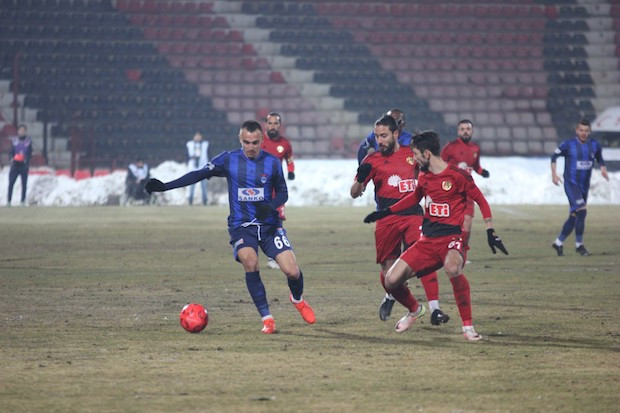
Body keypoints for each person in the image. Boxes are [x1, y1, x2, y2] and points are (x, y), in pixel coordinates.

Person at [145, 120, 315, 334]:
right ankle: (267, 318)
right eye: (246, 142)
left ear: (262, 140)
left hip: (270, 226)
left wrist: (270, 206)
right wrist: (165, 186)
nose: (251, 147)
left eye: (255, 142)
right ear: (240, 139)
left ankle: (297, 299)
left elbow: (283, 193)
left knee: (292, 271)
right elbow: (199, 174)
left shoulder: (272, 163)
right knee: (250, 261)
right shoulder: (228, 159)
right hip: (241, 226)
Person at [364, 130, 508, 341]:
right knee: (391, 280)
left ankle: (468, 328)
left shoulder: (458, 176)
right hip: (426, 242)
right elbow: (414, 198)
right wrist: (386, 212)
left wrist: (490, 229)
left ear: (427, 153)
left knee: (452, 267)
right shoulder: (424, 176)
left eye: (415, 154)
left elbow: (481, 200)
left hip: (451, 239)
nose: (413, 159)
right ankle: (414, 310)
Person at [350, 115, 449, 329]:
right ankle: (414, 309)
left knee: (421, 256)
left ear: (395, 134)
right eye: (377, 136)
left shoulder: (410, 155)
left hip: (412, 213)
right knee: (388, 276)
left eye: (384, 136)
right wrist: (360, 178)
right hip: (385, 218)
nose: (380, 140)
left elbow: (434, 172)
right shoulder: (371, 160)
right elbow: (354, 193)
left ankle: (435, 309)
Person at [551, 119, 609, 256]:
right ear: (577, 131)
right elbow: (554, 157)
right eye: (581, 130)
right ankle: (579, 245)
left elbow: (599, 158)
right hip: (571, 184)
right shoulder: (568, 145)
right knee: (582, 211)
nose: (583, 133)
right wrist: (554, 174)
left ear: (589, 132)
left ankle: (558, 243)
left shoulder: (595, 145)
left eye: (586, 130)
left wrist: (603, 168)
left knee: (574, 216)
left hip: (584, 186)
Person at [440, 119, 490, 254]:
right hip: (452, 191)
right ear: (458, 131)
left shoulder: (475, 148)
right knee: (451, 223)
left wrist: (482, 172)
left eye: (468, 129)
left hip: (468, 189)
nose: (465, 131)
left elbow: (475, 167)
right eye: (462, 129)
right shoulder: (450, 147)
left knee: (467, 223)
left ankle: (462, 252)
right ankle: (447, 250)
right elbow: (440, 165)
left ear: (472, 131)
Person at [261, 112, 295, 269]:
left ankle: (275, 256)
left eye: (275, 123)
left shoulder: (285, 144)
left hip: (277, 188)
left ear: (280, 126)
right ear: (266, 124)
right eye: (270, 123)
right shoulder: (259, 141)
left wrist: (291, 170)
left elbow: (289, 158)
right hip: (260, 187)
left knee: (278, 219)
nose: (272, 126)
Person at [7, 124, 33, 206]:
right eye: (20, 130)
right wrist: (12, 158)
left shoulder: (28, 142)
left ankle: (22, 201)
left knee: (24, 184)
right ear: (18, 131)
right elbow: (10, 152)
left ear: (25, 132)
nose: (21, 132)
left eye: (23, 131)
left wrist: (25, 160)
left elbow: (29, 153)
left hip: (23, 165)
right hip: (15, 165)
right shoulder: (14, 141)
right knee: (11, 183)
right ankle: (9, 201)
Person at [186, 131, 209, 205]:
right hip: (193, 168)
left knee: (204, 187)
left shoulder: (206, 145)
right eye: (196, 136)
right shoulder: (190, 144)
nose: (197, 137)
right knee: (191, 187)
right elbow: (186, 156)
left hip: (203, 168)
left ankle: (205, 201)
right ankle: (190, 201)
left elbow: (209, 155)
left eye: (199, 136)